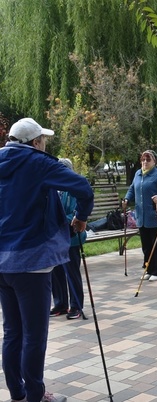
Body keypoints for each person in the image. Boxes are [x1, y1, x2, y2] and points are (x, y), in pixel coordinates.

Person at [0, 117, 94, 402]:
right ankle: (35, 395)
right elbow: (83, 188)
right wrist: (80, 218)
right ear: (35, 143)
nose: (44, 146)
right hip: (32, 262)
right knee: (34, 335)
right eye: (43, 141)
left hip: (2, 262)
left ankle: (17, 393)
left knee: (12, 332)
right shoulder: (38, 162)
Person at [50, 158, 87, 320]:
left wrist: (54, 219)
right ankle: (60, 304)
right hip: (53, 239)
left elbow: (75, 215)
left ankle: (76, 305)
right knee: (55, 272)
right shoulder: (52, 189)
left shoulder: (73, 189)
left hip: (71, 237)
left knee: (71, 272)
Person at [123, 150, 157, 281]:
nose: (145, 162)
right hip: (141, 215)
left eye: (148, 160)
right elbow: (132, 188)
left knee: (156, 245)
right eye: (143, 160)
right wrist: (126, 199)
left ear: (154, 162)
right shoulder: (138, 173)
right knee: (146, 245)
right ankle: (148, 268)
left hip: (154, 215)